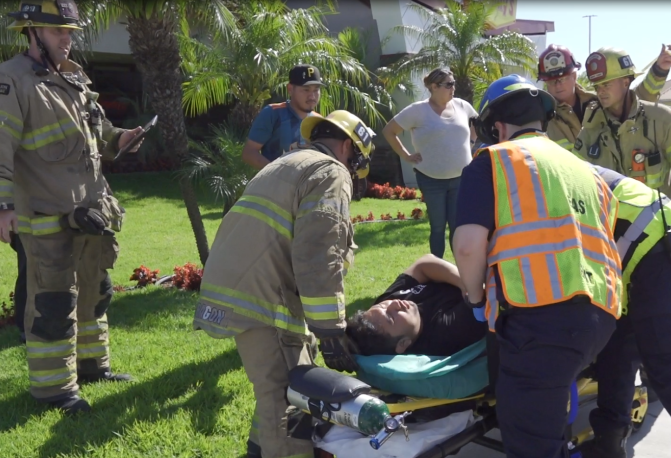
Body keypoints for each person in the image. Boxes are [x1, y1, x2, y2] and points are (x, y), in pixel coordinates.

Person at [0, 0, 145, 414]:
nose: (67, 39)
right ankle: (54, 390)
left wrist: (120, 138)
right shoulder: (9, 82)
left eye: (69, 32)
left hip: (92, 213)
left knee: (94, 293)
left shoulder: (73, 78)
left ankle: (92, 366)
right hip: (45, 216)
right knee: (52, 303)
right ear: (31, 33)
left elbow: (96, 133)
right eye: (57, 32)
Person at [453, 74, 622, 458]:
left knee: (530, 445)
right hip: (600, 319)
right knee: (548, 422)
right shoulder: (587, 172)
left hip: (540, 325)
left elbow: (467, 248)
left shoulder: (493, 162)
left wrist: (477, 300)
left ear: (496, 127)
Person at [192, 110, 373, 458]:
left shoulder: (287, 162)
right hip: (264, 299)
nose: (353, 174)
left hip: (241, 287)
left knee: (277, 389)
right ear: (349, 147)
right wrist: (330, 329)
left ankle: (258, 451)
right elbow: (318, 254)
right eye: (356, 165)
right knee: (289, 396)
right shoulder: (330, 171)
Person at [581, 165, 671, 458]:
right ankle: (609, 445)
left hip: (656, 248)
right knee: (615, 353)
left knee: (664, 361)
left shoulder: (541, 183)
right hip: (634, 247)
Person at [572, 47, 671, 238]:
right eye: (597, 86)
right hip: (610, 234)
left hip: (658, 231)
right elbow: (578, 182)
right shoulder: (590, 133)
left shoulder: (661, 120)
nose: (600, 92)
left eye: (606, 84)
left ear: (625, 81)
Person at [382, 68, 478, 258]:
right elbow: (389, 131)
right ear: (434, 87)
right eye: (448, 84)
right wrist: (406, 155)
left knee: (457, 227)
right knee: (437, 227)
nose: (453, 88)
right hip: (431, 180)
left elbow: (477, 122)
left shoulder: (461, 106)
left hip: (460, 178)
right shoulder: (418, 110)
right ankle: (437, 272)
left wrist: (472, 143)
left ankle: (462, 272)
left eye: (454, 83)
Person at [538, 44, 671, 151]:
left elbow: (636, 100)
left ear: (574, 76)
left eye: (562, 79)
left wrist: (659, 71)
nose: (557, 85)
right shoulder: (543, 118)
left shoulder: (598, 101)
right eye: (551, 81)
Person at [346, 254, 487, 357]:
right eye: (391, 317)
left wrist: (464, 284)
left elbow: (424, 264)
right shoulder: (445, 332)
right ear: (403, 344)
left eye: (383, 306)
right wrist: (470, 286)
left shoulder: (386, 307)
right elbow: (482, 293)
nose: (394, 304)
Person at [241, 65, 323, 170]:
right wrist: (279, 174)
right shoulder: (273, 113)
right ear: (290, 89)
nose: (312, 96)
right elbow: (249, 153)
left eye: (316, 90)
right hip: (274, 184)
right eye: (306, 90)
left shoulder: (319, 121)